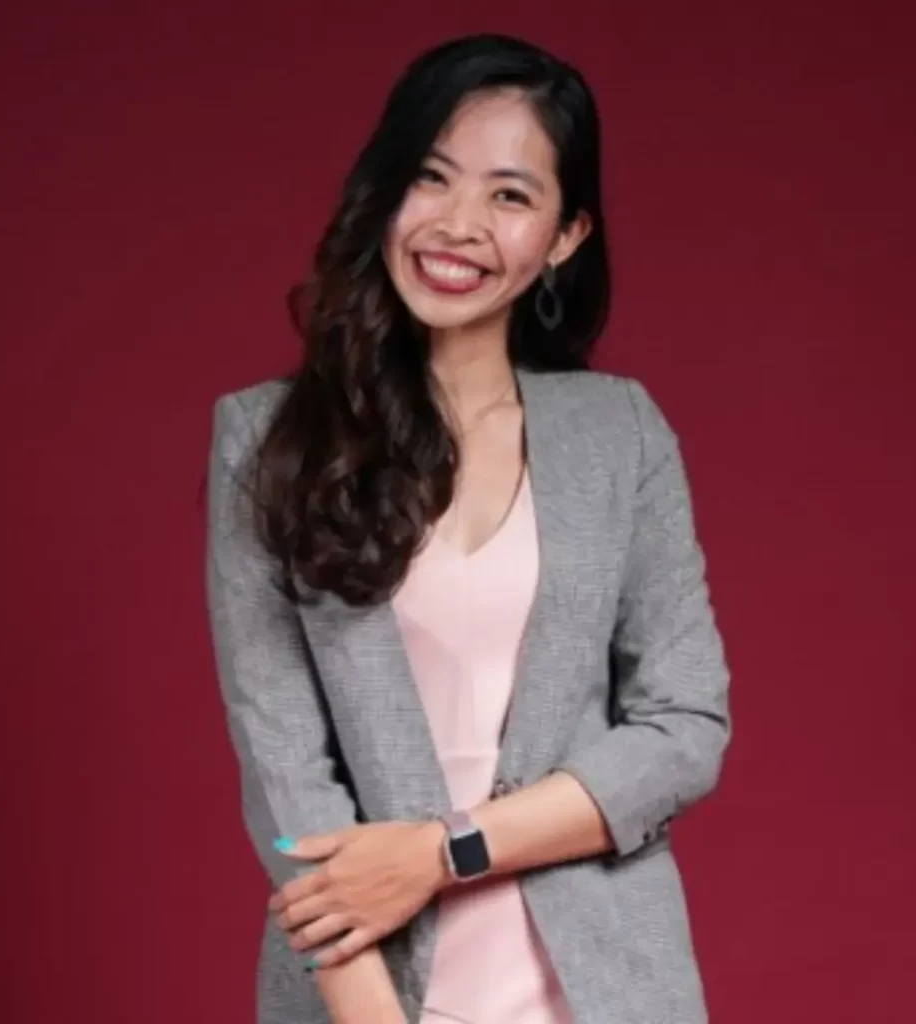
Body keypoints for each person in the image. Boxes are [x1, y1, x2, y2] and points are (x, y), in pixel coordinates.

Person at [205, 32, 730, 1024]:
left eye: (510, 195)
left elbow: (683, 727)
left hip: (610, 993)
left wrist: (445, 851)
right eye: (431, 177)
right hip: (370, 995)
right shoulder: (269, 440)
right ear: (386, 189)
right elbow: (285, 776)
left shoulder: (620, 433)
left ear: (565, 236)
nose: (458, 226)